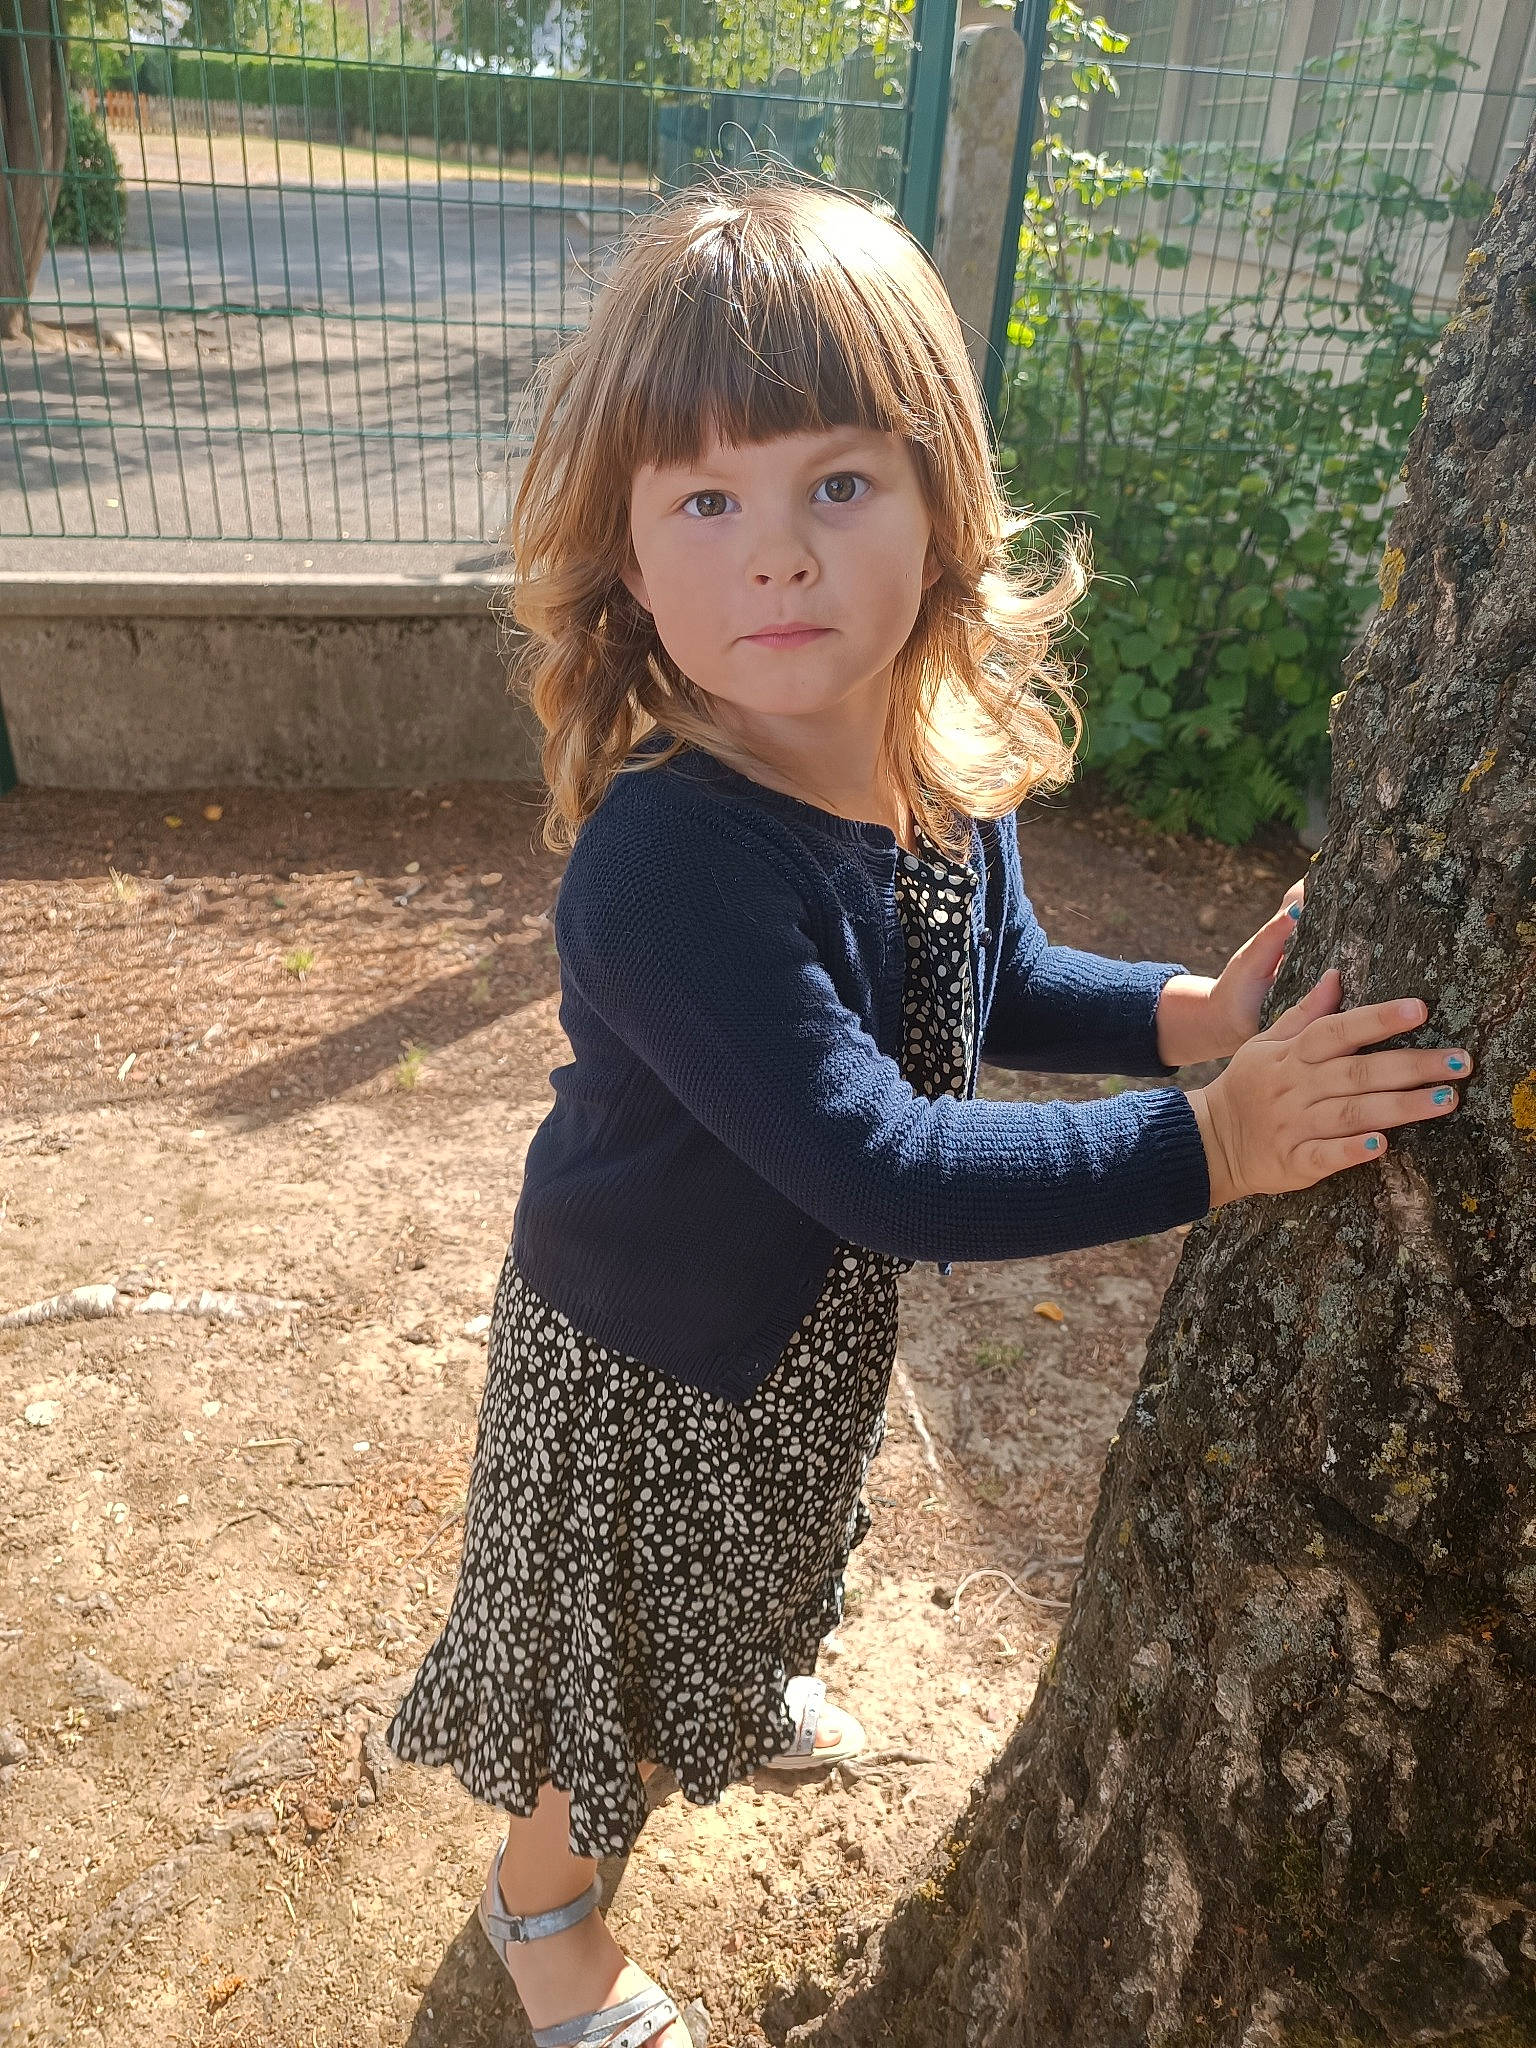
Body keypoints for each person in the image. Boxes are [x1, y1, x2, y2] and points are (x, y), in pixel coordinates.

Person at [385, 171, 1471, 2048]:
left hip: (790, 1337)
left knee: (775, 1563)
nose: (778, 556)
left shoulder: (937, 773)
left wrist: (1196, 1015)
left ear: (941, 503)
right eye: (706, 502)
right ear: (629, 561)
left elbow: (996, 984)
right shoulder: (668, 867)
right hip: (638, 1361)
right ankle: (541, 1911)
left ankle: (747, 1673)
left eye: (837, 483)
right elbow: (879, 1161)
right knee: (606, 1674)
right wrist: (1216, 1137)